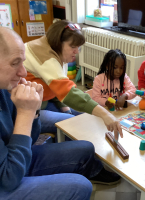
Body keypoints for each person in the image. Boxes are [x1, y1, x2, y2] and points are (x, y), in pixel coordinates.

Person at [0, 27, 122, 200]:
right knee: (80, 186)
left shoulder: (5, 87)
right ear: (60, 43)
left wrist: (32, 113)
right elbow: (9, 178)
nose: (23, 72)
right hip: (7, 178)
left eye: (22, 62)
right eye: (15, 63)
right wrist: (26, 113)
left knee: (86, 147)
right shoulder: (46, 58)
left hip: (14, 160)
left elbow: (30, 139)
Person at [24, 20, 122, 140]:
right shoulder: (47, 58)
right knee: (73, 124)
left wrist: (64, 107)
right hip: (30, 109)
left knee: (85, 115)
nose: (76, 52)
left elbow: (55, 84)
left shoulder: (55, 49)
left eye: (78, 47)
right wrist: (105, 113)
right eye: (73, 47)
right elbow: (69, 92)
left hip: (46, 101)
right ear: (59, 43)